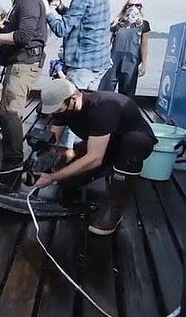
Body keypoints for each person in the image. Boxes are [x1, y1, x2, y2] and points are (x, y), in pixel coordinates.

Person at [34, 79, 157, 235]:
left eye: (58, 109)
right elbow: (53, 139)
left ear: (73, 99)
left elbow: (95, 157)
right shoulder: (62, 109)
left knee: (134, 144)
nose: (56, 113)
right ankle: (107, 170)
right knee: (68, 181)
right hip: (104, 143)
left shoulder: (102, 107)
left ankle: (114, 209)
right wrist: (42, 163)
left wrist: (52, 177)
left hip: (131, 142)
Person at [0, 0, 48, 190]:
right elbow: (9, 30)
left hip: (24, 66)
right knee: (6, 114)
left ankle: (12, 169)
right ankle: (9, 159)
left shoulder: (29, 2)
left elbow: (23, 36)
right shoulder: (18, 3)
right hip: (16, 64)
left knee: (11, 114)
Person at [42, 0, 111, 162]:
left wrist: (48, 11)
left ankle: (66, 159)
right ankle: (81, 152)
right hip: (98, 62)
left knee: (71, 109)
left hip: (83, 64)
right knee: (86, 107)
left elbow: (62, 28)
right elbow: (79, 19)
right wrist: (60, 6)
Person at [98, 0, 151, 97]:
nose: (134, 7)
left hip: (132, 61)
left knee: (127, 92)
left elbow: (144, 45)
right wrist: (102, 59)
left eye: (137, 5)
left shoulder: (144, 24)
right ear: (126, 7)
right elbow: (107, 42)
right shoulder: (117, 23)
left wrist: (144, 64)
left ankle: (123, 111)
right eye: (131, 5)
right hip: (114, 60)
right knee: (106, 88)